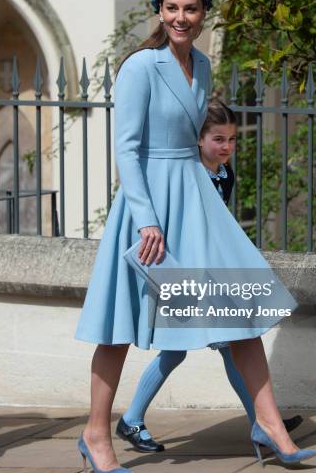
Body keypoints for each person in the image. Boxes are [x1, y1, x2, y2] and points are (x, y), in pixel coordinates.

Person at [75, 0, 316, 473]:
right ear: (159, 11)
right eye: (172, 8)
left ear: (204, 12)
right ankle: (96, 433)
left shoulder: (203, 65)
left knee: (241, 306)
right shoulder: (141, 66)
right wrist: (146, 220)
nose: (180, 17)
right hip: (150, 208)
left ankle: (271, 426)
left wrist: (213, 179)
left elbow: (194, 140)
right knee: (120, 327)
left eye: (190, 8)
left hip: (195, 200)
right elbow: (128, 148)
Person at [116, 100, 303, 453]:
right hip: (181, 274)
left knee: (229, 347)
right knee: (183, 351)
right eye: (218, 139)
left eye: (232, 139)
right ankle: (132, 420)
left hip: (209, 274)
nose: (227, 147)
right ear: (198, 140)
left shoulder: (225, 174)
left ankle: (263, 422)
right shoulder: (184, 174)